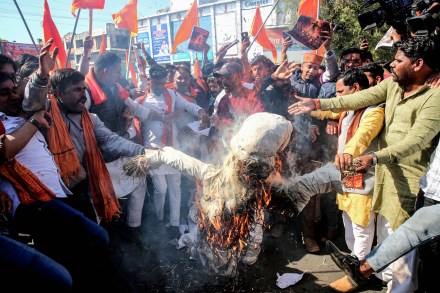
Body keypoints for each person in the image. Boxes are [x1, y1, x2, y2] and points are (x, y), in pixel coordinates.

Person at [288, 36, 440, 292]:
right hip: (382, 175)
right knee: (382, 235)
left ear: (418, 64)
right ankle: (374, 276)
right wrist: (316, 103)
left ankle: (400, 287)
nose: (392, 64)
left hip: (409, 181)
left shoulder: (434, 97)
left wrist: (373, 157)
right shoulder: (393, 86)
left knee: (401, 242)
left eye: (399, 60)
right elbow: (355, 99)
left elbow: (416, 141)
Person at [123, 112, 293, 271]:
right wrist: (145, 160)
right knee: (219, 260)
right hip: (216, 235)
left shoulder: (259, 184)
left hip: (237, 231)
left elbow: (171, 156)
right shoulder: (213, 176)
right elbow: (172, 156)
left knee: (247, 257)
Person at [311, 68, 384, 290]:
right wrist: (309, 106)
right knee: (349, 220)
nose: (337, 97)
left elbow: (364, 136)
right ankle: (354, 262)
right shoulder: (346, 110)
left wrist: (347, 154)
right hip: (347, 176)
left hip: (365, 178)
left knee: (362, 224)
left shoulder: (374, 111)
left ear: (356, 89)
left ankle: (361, 271)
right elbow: (326, 111)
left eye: (340, 92)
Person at [80, 52, 151, 239]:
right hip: (100, 158)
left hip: (122, 148)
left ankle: (133, 228)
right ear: (105, 71)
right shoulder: (85, 92)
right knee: (99, 198)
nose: (120, 75)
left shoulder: (116, 87)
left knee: (139, 182)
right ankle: (100, 237)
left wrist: (163, 116)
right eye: (118, 71)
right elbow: (80, 125)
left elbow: (139, 110)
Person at [137, 64, 207, 235]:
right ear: (150, 80)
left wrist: (201, 112)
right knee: (161, 189)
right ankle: (160, 218)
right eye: (157, 83)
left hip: (173, 149)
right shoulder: (142, 100)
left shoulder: (172, 95)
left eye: (163, 83)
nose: (161, 87)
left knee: (175, 187)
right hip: (154, 151)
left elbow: (188, 106)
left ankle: (175, 223)